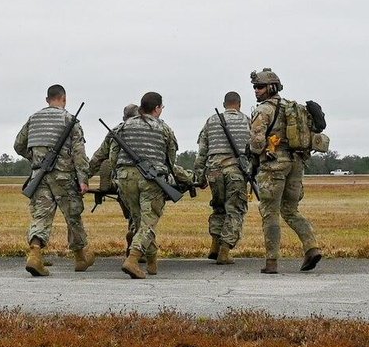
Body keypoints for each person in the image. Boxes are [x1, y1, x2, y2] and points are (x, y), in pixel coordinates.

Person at [107, 92, 191, 279]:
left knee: (139, 221)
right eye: (162, 107)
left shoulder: (123, 126)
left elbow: (113, 156)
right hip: (151, 180)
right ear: (157, 108)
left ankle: (152, 260)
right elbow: (170, 160)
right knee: (149, 222)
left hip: (125, 178)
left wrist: (119, 173)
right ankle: (133, 258)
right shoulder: (164, 128)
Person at [248, 68, 323, 274]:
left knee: (270, 211)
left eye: (260, 87)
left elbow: (256, 142)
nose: (256, 90)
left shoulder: (264, 110)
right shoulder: (292, 108)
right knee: (290, 210)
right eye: (255, 87)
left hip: (274, 164)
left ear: (271, 88)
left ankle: (271, 262)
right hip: (296, 163)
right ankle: (312, 247)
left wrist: (257, 153)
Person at [14, 84, 93, 276]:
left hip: (39, 176)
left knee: (41, 216)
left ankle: (35, 254)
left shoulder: (34, 118)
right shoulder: (69, 120)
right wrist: (83, 179)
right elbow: (79, 153)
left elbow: (18, 145)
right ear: (64, 99)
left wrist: (36, 159)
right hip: (64, 177)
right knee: (73, 216)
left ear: (47, 99)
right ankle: (80, 257)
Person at [194, 91, 252, 265]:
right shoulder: (246, 121)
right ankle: (224, 251)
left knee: (218, 207)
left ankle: (214, 246)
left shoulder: (211, 121)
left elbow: (202, 151)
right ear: (239, 104)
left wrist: (199, 176)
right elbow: (254, 149)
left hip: (214, 172)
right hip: (235, 173)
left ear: (224, 104)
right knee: (235, 210)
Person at [88, 103, 138, 248]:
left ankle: (112, 184)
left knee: (127, 196)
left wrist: (83, 178)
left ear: (123, 117)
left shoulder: (115, 131)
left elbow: (98, 158)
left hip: (122, 178)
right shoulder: (148, 130)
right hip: (145, 177)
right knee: (142, 208)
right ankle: (135, 235)